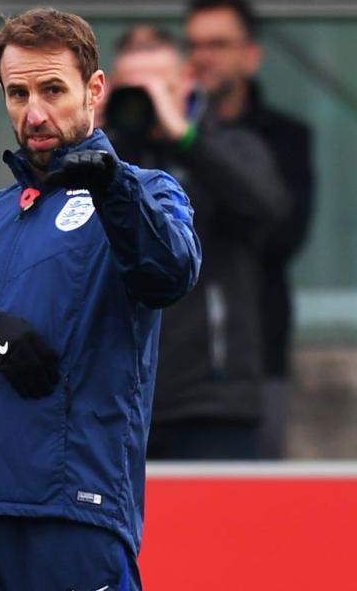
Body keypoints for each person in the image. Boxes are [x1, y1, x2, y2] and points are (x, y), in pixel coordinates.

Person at [0, 8, 200, 590]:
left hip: (74, 515)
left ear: (94, 89)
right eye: (17, 92)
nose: (34, 113)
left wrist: (113, 185)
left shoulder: (145, 192)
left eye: (53, 89)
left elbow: (169, 274)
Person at [104, 26, 289, 461]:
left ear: (186, 81)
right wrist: (102, 138)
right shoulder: (105, 161)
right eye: (136, 91)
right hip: (121, 401)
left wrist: (185, 138)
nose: (147, 102)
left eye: (159, 88)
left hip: (212, 403)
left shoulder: (234, 146)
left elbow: (269, 209)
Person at [186, 0, 315, 457]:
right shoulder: (157, 133)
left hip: (255, 353)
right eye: (195, 44)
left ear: (251, 55)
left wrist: (203, 151)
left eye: (218, 44)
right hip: (170, 373)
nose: (203, 57)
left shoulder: (285, 138)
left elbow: (283, 233)